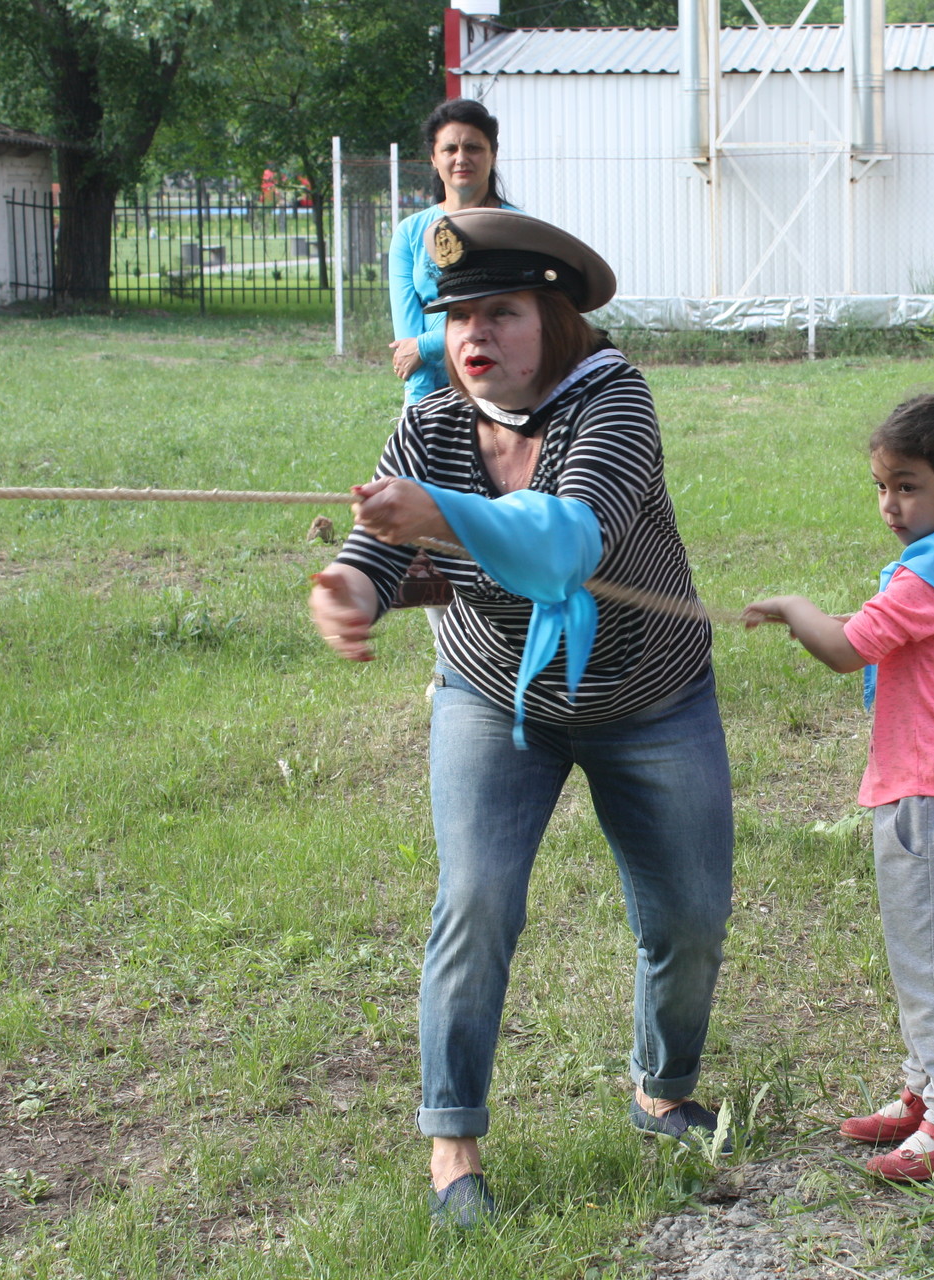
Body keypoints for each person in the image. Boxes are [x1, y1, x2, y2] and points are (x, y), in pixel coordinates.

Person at [310, 210, 734, 1226]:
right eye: (455, 314)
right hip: (491, 696)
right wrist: (346, 590)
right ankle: (452, 1149)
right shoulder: (430, 424)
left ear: (551, 316)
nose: (472, 335)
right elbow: (376, 552)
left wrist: (443, 517)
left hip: (650, 699)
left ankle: (662, 1091)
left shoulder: (613, 399)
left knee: (686, 915)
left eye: (499, 310)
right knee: (478, 900)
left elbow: (564, 546)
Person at [744, 396, 934, 1181]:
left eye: (907, 486)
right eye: (881, 486)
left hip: (932, 800)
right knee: (922, 955)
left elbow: (847, 650)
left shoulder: (932, 573)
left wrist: (793, 608)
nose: (889, 506)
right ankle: (925, 1091)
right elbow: (889, 630)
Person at [388, 99, 520, 407]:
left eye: (473, 147)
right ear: (434, 158)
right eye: (450, 149)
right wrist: (419, 415)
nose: (461, 158)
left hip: (504, 393)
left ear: (493, 155)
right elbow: (408, 348)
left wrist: (426, 346)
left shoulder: (518, 229)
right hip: (431, 395)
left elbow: (507, 324)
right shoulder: (409, 234)